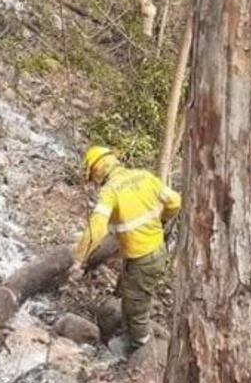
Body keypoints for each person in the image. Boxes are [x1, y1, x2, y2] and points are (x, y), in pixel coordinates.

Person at [70, 146, 181, 351]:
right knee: (128, 295)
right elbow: (175, 201)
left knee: (136, 306)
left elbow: (96, 230)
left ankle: (140, 349)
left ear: (97, 171)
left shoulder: (110, 191)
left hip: (143, 258)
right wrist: (163, 218)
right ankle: (130, 334)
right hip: (152, 251)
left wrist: (79, 259)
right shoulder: (144, 176)